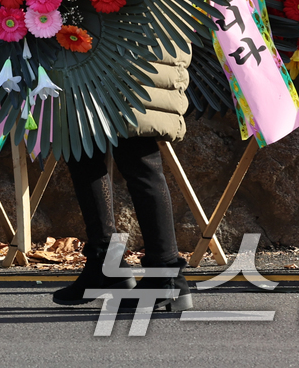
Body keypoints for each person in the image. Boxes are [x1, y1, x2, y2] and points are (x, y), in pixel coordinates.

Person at [52, 46, 193, 310]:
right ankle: (107, 264)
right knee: (82, 145)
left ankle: (165, 276)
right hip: (97, 43)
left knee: (137, 156)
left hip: (131, 42)